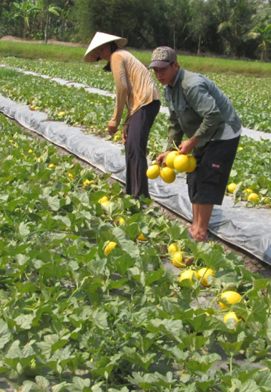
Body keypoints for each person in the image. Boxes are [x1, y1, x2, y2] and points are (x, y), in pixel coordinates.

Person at [150, 46, 242, 242]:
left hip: (222, 132)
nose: (159, 74)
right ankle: (195, 227)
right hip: (201, 134)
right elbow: (175, 122)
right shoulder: (169, 89)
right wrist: (169, 151)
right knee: (194, 177)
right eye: (155, 70)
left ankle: (200, 233)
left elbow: (213, 116)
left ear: (175, 65)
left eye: (162, 69)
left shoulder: (191, 85)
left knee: (208, 177)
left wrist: (192, 142)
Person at [84, 32, 161, 199]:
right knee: (131, 148)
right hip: (144, 103)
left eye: (102, 49)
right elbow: (132, 97)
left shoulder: (117, 56)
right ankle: (132, 193)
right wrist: (127, 123)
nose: (101, 54)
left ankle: (140, 197)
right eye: (98, 52)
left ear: (111, 46)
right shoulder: (123, 55)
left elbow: (122, 89)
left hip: (146, 102)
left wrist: (115, 120)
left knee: (135, 150)